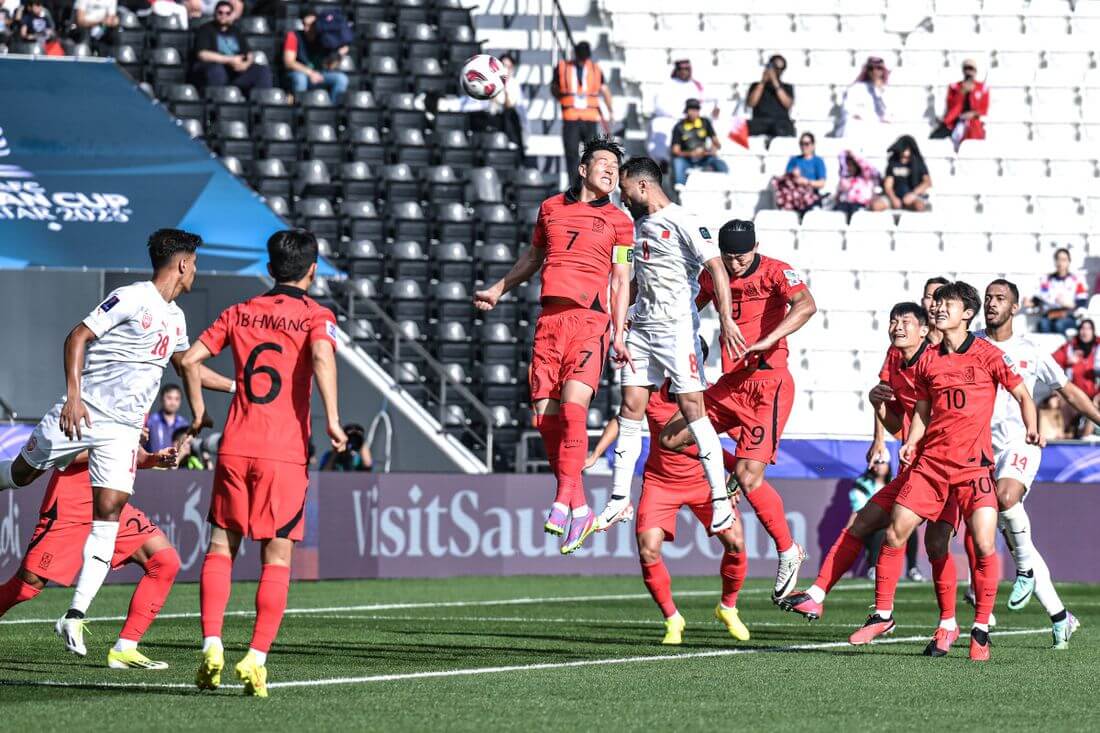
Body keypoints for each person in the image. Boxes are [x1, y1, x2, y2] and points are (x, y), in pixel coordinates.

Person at [0, 229, 232, 657]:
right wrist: (72, 397)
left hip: (123, 430)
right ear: (182, 263)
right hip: (84, 411)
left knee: (109, 513)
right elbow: (77, 336)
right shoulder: (132, 297)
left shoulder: (176, 318)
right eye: (194, 262)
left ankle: (74, 616)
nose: (196, 270)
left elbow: (188, 368)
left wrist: (238, 387)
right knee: (20, 474)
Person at [180, 228, 346, 697]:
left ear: (269, 270)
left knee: (219, 548)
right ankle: (255, 658)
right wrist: (333, 419)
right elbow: (321, 356)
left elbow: (190, 360)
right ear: (313, 271)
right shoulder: (317, 315)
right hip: (284, 452)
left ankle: (212, 643)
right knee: (276, 556)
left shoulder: (239, 312)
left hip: (234, 444)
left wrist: (198, 412)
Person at [853, 282, 1041, 661]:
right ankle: (886, 614)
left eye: (947, 304)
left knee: (984, 544)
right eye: (937, 303)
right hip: (932, 466)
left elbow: (1022, 394)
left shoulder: (989, 355)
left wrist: (1032, 427)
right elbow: (922, 407)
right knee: (899, 532)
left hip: (973, 468)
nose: (938, 309)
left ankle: (982, 628)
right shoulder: (929, 359)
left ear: (966, 314)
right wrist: (911, 440)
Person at [473, 136, 633, 555]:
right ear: (583, 169)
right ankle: (579, 505)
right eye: (603, 164)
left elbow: (621, 279)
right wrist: (498, 289)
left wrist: (617, 331)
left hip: (590, 320)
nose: (610, 172)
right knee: (545, 419)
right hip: (550, 321)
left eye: (615, 169)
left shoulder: (620, 221)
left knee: (575, 407)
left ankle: (563, 499)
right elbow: (532, 258)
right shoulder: (550, 208)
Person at [782, 301, 964, 657]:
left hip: (945, 468)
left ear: (926, 329)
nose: (897, 327)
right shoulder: (895, 359)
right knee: (864, 521)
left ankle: (949, 623)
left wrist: (914, 441)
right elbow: (898, 421)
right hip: (914, 468)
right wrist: (877, 405)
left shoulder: (938, 363)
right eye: (893, 321)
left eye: (905, 322)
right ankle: (819, 596)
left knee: (937, 544)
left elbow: (945, 417)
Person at [658, 219, 816, 601]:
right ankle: (728, 468)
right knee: (673, 437)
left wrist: (768, 340)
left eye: (741, 256)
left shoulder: (777, 270)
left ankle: (788, 549)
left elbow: (807, 305)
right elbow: (687, 308)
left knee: (750, 476)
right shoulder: (715, 275)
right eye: (728, 257)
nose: (735, 263)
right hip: (732, 385)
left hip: (769, 384)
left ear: (755, 247)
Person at [595, 157, 738, 536]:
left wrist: (725, 319)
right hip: (641, 328)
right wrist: (619, 319)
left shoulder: (685, 221)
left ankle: (720, 500)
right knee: (630, 406)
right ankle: (617, 500)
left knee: (693, 409)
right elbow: (631, 279)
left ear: (642, 186)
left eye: (624, 191)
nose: (621, 199)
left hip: (676, 331)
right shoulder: (630, 229)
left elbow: (718, 270)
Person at [586, 357, 751, 645]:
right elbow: (622, 419)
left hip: (703, 484)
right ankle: (672, 618)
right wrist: (597, 452)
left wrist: (735, 476)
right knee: (648, 550)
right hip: (661, 483)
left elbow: (746, 437)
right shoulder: (650, 392)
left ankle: (728, 607)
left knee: (736, 542)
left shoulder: (711, 396)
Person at [977, 279, 1094, 648]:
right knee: (1014, 539)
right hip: (981, 451)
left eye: (1000, 299)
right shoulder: (971, 342)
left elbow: (1068, 390)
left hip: (1022, 442)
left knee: (1006, 497)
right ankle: (1061, 617)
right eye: (988, 298)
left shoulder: (1030, 350)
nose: (991, 304)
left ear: (1015, 308)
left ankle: (1021, 573)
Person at [0, 449, 180, 669]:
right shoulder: (82, 413)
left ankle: (126, 648)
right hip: (72, 504)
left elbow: (132, 453)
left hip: (110, 503)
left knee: (164, 561)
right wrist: (112, 443)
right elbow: (63, 454)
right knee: (27, 585)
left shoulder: (136, 414)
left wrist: (152, 459)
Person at [551, 42, 613, 186]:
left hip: (590, 117)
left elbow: (605, 91)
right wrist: (562, 99)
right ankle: (575, 185)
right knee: (571, 152)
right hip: (571, 116)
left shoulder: (595, 69)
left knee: (591, 153)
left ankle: (590, 182)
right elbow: (554, 87)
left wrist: (610, 111)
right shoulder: (562, 67)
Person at [850, 458, 922, 581]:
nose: (879, 466)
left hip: (891, 523)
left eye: (882, 462)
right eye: (876, 462)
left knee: (909, 529)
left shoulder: (895, 481)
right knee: (882, 530)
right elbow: (861, 511)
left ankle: (912, 568)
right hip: (871, 526)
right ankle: (873, 567)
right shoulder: (861, 485)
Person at [647, 58, 720, 164]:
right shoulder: (667, 85)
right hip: (671, 118)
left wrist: (716, 108)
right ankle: (663, 161)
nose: (685, 71)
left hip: (693, 118)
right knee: (659, 124)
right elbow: (659, 105)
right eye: (682, 68)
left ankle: (708, 157)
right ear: (677, 70)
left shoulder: (696, 85)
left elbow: (712, 99)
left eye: (687, 68)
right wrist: (677, 114)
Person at [193, 1, 273, 93]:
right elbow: (203, 54)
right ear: (215, 13)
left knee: (262, 71)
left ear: (232, 15)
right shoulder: (205, 29)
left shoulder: (236, 31)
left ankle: (261, 102)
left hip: (236, 71)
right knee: (216, 70)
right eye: (220, 12)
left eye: (227, 13)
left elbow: (249, 53)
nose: (224, 15)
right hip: (215, 70)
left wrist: (245, 65)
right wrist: (229, 60)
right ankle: (218, 101)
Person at [282, 6, 349, 104]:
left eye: (311, 25)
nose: (307, 28)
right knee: (300, 79)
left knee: (341, 79)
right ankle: (299, 111)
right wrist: (310, 73)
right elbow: (289, 62)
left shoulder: (325, 39)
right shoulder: (293, 36)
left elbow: (329, 66)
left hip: (318, 74)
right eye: (305, 24)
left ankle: (333, 112)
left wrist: (339, 55)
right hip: (300, 73)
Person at [1052, 318, 1100, 436]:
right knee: (1057, 401)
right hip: (1073, 394)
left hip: (1095, 395)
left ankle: (1086, 438)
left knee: (1094, 405)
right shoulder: (1069, 348)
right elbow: (1050, 364)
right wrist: (1068, 362)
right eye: (1083, 328)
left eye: (1089, 329)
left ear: (1093, 331)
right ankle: (1067, 435)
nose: (1085, 332)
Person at [668, 98, 728, 186]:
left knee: (721, 165)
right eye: (691, 109)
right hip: (687, 159)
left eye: (696, 109)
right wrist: (691, 153)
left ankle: (724, 186)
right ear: (686, 111)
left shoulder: (705, 122)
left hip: (704, 157)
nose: (694, 112)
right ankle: (680, 189)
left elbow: (716, 142)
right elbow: (675, 151)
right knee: (678, 162)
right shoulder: (679, 127)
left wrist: (713, 148)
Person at [932, 59, 989, 147]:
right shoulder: (955, 87)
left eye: (971, 69)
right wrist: (961, 92)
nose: (968, 72)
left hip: (973, 122)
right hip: (955, 121)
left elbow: (984, 109)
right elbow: (951, 106)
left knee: (972, 142)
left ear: (975, 71)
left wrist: (973, 113)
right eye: (966, 69)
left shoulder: (982, 88)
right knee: (935, 139)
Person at [1033, 247, 1088, 335]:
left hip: (1069, 315)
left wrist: (1070, 304)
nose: (1060, 263)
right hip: (1050, 314)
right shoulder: (1047, 279)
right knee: (1043, 324)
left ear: (1069, 262)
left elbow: (1082, 301)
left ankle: (1063, 348)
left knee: (1059, 324)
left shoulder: (1077, 280)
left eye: (1063, 260)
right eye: (1058, 259)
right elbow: (1040, 297)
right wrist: (1031, 302)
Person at [872, 135, 932, 212]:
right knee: (876, 206)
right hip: (894, 196)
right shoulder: (893, 163)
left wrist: (913, 194)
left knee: (919, 206)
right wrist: (893, 198)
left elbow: (927, 182)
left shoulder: (918, 163)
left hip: (913, 195)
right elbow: (888, 186)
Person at [837, 56, 891, 139]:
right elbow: (847, 108)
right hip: (860, 124)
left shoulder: (887, 91)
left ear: (883, 71)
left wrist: (879, 91)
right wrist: (856, 115)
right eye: (871, 68)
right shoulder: (856, 88)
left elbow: (887, 113)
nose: (874, 71)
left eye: (878, 68)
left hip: (877, 125)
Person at [774, 132, 826, 214]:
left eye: (806, 144)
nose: (803, 146)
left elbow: (821, 183)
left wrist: (806, 182)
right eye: (801, 144)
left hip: (810, 195)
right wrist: (793, 176)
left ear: (813, 145)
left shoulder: (818, 161)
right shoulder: (794, 160)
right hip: (794, 196)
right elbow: (787, 178)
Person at [745, 54, 794, 138]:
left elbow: (787, 104)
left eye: (780, 69)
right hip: (760, 121)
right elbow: (751, 103)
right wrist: (763, 82)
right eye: (775, 67)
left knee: (784, 128)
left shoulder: (787, 87)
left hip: (780, 122)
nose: (777, 71)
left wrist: (774, 81)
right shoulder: (756, 85)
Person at [833, 149, 879, 221]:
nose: (849, 168)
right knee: (839, 211)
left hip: (861, 205)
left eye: (851, 165)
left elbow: (868, 167)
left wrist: (854, 156)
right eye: (848, 165)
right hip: (845, 205)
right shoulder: (844, 179)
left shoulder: (865, 177)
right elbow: (838, 196)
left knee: (855, 212)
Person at [145, 384, 189, 453]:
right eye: (169, 398)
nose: (173, 403)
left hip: (177, 463)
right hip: (154, 462)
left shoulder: (184, 424)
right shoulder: (151, 422)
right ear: (161, 399)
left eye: (177, 399)